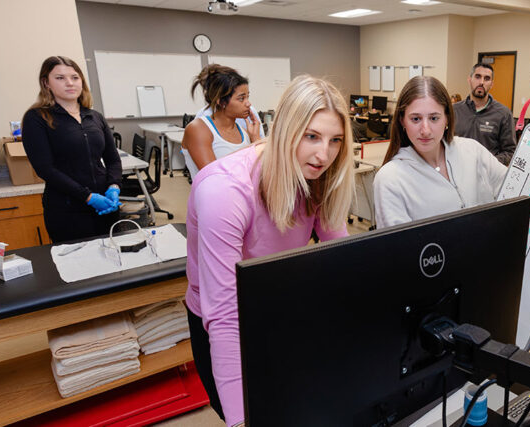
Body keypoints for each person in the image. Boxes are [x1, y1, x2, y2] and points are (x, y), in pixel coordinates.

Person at [185, 75, 355, 426]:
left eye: (335, 140)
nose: (324, 154)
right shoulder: (225, 191)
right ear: (285, 130)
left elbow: (343, 259)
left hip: (278, 303)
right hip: (223, 317)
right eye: (311, 136)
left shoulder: (318, 176)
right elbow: (226, 315)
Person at [372, 76, 507, 229]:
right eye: (415, 119)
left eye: (434, 118)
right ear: (402, 121)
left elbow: (516, 188)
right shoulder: (390, 179)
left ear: (447, 119)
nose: (425, 130)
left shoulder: (472, 151)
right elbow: (399, 248)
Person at [21, 56, 122, 243]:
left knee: (113, 260)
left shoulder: (94, 117)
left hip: (105, 206)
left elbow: (113, 159)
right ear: (46, 83)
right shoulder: (37, 118)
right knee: (78, 266)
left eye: (75, 77)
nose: (69, 83)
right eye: (60, 78)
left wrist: (114, 186)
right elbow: (45, 169)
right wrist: (88, 197)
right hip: (67, 210)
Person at [181, 64, 262, 178]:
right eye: (241, 98)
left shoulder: (244, 132)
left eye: (248, 97)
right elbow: (215, 178)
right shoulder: (198, 129)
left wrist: (256, 140)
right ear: (221, 101)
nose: (248, 103)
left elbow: (258, 173)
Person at [452, 63, 517, 165]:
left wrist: (488, 164)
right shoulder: (454, 110)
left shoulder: (503, 114)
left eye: (487, 79)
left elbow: (510, 152)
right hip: (457, 172)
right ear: (469, 80)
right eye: (477, 77)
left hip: (487, 177)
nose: (481, 82)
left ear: (491, 84)